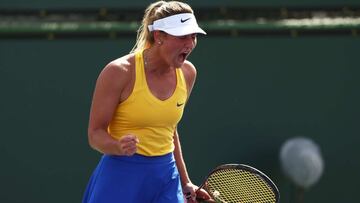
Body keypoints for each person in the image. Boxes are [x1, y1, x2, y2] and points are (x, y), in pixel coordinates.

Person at [82, 1, 212, 203]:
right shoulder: (118, 72)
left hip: (166, 177)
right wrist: (118, 146)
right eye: (182, 36)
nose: (190, 43)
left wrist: (185, 182)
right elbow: (95, 134)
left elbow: (170, 131)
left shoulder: (188, 73)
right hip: (121, 175)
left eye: (193, 36)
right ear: (159, 36)